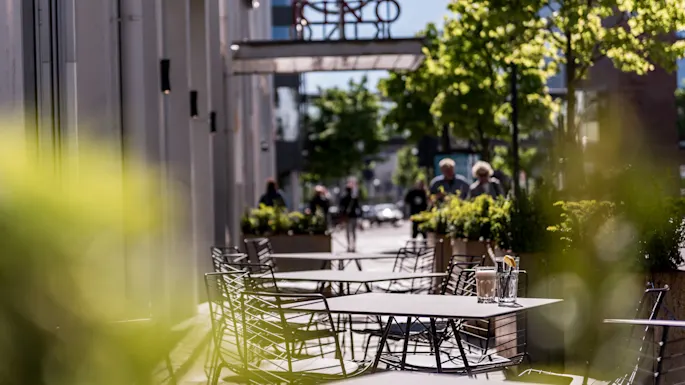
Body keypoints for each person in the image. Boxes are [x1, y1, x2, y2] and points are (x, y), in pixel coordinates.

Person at [339, 184, 361, 252]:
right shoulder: (354, 198)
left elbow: (341, 208)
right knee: (353, 232)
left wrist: (342, 215)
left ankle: (348, 245)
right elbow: (358, 208)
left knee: (348, 232)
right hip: (353, 216)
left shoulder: (343, 198)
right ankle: (353, 246)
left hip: (347, 217)